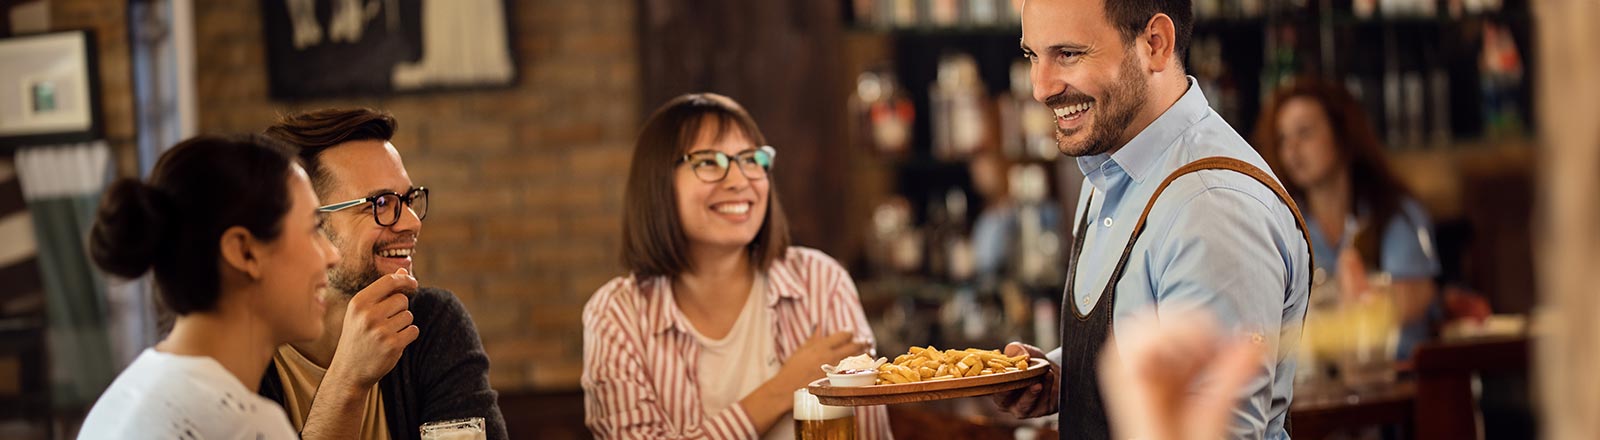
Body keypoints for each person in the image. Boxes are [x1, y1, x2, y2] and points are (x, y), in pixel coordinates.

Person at [993, 0, 1313, 438]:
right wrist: (1069, 377)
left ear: (1155, 44)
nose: (1041, 87)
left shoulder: (1211, 207)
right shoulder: (1110, 165)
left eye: (1068, 54)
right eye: (1033, 55)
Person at [581, 93, 892, 439]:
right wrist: (782, 389)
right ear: (657, 184)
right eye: (709, 162)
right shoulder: (616, 314)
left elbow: (871, 434)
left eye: (750, 159)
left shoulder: (821, 282)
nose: (739, 180)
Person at [258, 109, 507, 439]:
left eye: (407, 199)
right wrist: (349, 378)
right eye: (380, 203)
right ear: (306, 222)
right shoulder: (247, 350)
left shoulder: (430, 323)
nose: (412, 222)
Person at [78, 134, 339, 438]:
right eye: (314, 228)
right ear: (244, 252)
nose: (332, 256)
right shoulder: (242, 426)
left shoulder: (126, 393)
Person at [1253, 77, 1442, 360]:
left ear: (1342, 135)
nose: (1291, 149)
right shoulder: (1282, 224)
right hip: (1321, 389)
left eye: (1304, 133)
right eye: (1282, 139)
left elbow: (1413, 299)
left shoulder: (1394, 213)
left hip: (1402, 380)